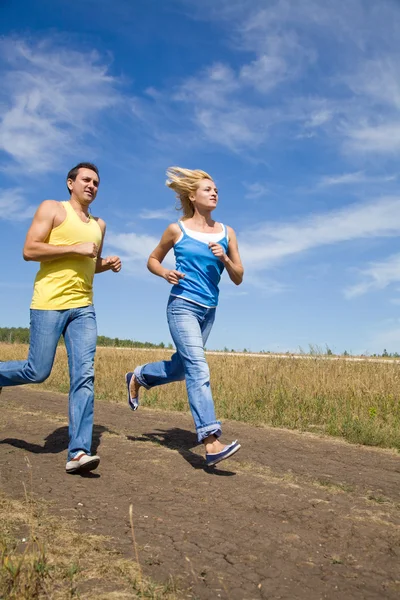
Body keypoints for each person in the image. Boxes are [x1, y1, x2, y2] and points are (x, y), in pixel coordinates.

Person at [0, 163, 121, 474]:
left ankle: (79, 451)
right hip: (49, 303)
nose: (92, 185)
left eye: (96, 182)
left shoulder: (99, 225)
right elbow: (29, 249)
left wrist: (106, 263)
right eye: (86, 180)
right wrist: (75, 247)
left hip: (84, 307)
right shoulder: (52, 209)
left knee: (84, 376)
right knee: (37, 370)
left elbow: (89, 264)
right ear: (70, 183)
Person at [126, 167, 244, 467]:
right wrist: (165, 272)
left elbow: (239, 276)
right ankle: (211, 440)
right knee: (198, 369)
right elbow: (152, 259)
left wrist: (225, 258)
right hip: (182, 306)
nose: (214, 192)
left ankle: (138, 376)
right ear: (192, 196)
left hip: (209, 311)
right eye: (207, 189)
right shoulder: (176, 229)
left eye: (216, 188)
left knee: (182, 369)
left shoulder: (227, 232)